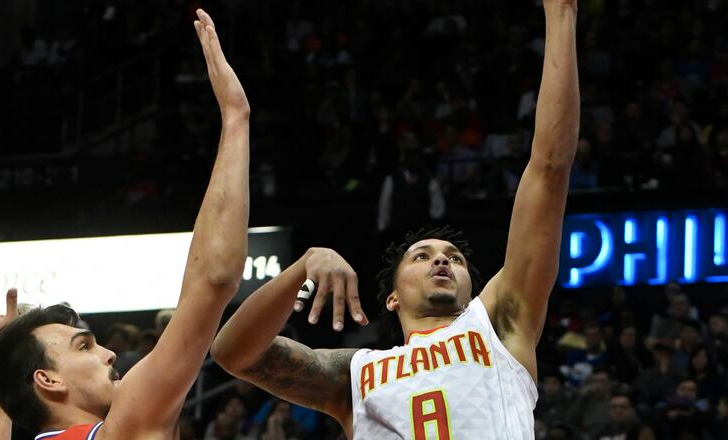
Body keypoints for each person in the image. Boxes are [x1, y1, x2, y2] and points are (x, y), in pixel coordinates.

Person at [211, 1, 580, 438]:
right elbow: (233, 353)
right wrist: (301, 267)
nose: (442, 260)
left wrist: (561, 14)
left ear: (471, 291)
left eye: (455, 259)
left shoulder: (497, 326)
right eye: (422, 256)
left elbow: (549, 169)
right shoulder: (356, 373)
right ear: (391, 299)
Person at [0, 8, 251, 439]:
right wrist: (235, 118)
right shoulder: (122, 429)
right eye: (84, 346)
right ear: (48, 379)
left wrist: (5, 351)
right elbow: (214, 278)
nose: (109, 354)